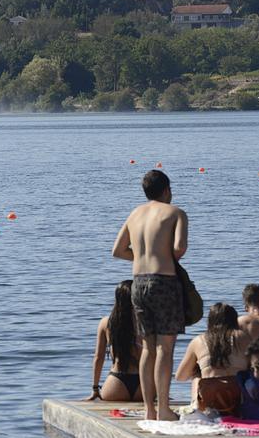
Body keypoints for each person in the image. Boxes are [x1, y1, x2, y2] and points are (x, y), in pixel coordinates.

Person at [112, 169, 188, 421]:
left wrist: (144, 256)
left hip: (138, 283)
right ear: (166, 190)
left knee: (147, 348)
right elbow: (179, 249)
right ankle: (164, 409)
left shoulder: (134, 214)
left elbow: (118, 250)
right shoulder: (176, 213)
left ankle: (149, 409)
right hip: (164, 282)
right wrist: (160, 255)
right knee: (165, 349)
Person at [175, 303, 252, 416]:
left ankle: (196, 405)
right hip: (238, 397)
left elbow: (180, 376)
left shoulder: (198, 340)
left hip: (209, 398)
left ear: (210, 321)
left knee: (196, 375)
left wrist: (198, 370)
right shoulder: (244, 337)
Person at [86, 280, 143, 402]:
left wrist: (95, 389)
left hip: (116, 384)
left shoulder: (106, 323)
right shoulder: (146, 323)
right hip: (143, 384)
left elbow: (98, 357)